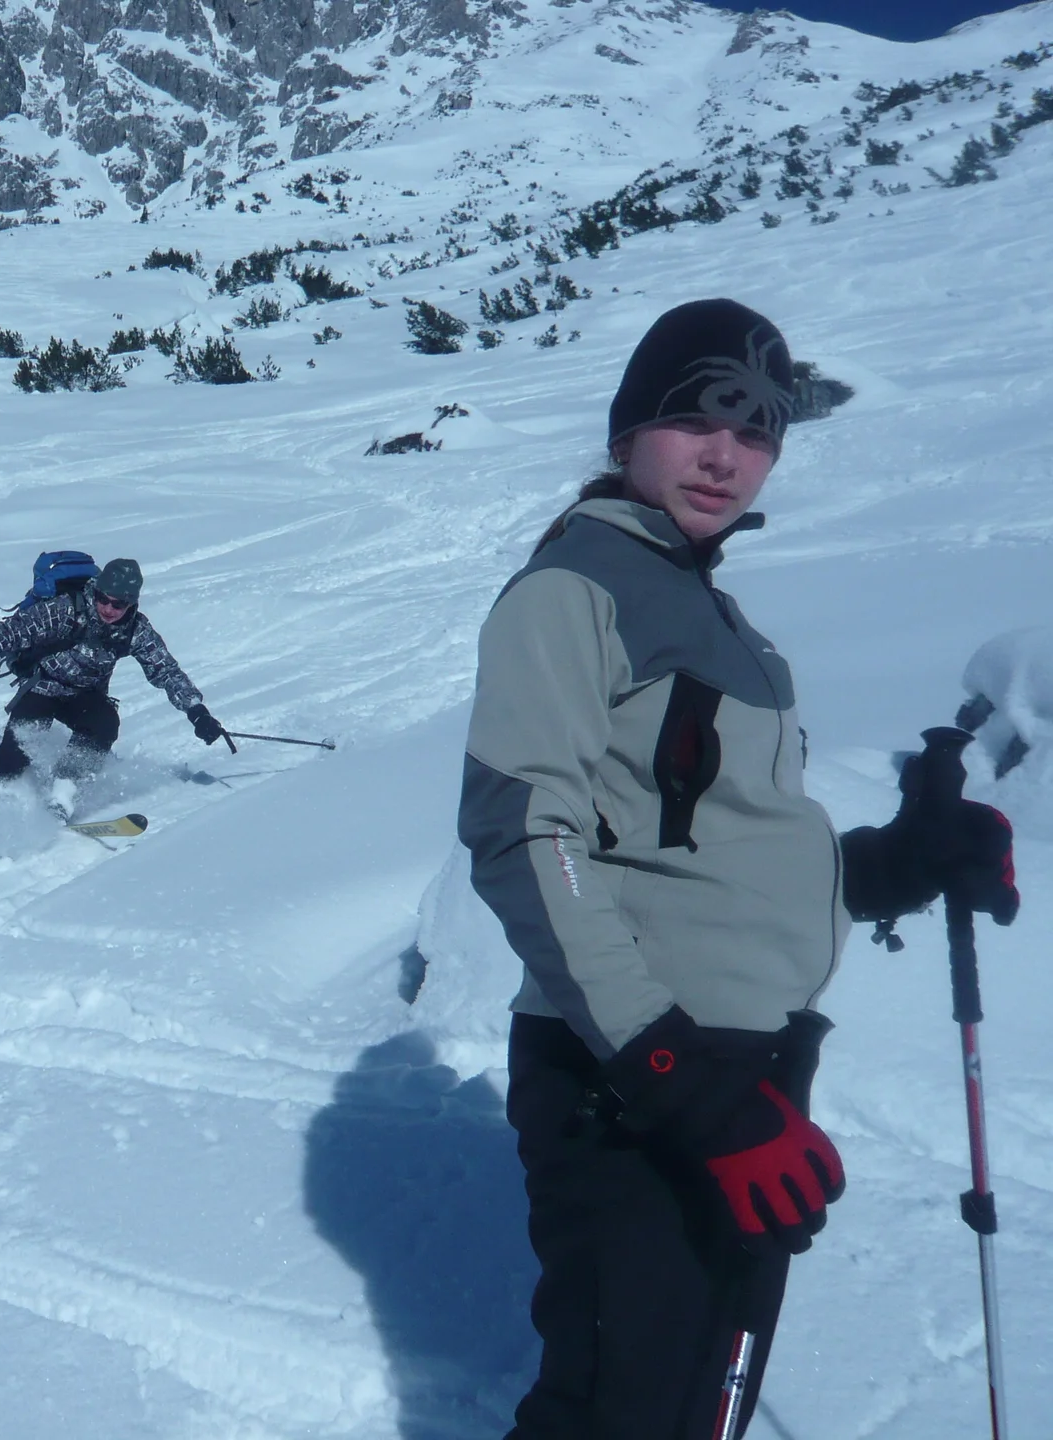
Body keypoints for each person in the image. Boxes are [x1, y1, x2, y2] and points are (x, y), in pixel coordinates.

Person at [456, 299, 1019, 1438]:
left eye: (760, 430)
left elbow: (718, 849)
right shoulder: (577, 590)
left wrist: (905, 861)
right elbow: (524, 837)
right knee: (624, 1411)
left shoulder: (726, 624)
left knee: (705, 1399)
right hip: (636, 1080)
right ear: (628, 437)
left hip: (744, 1072)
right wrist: (678, 1080)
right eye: (697, 417)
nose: (728, 455)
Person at [0, 557, 223, 781]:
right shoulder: (65, 610)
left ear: (132, 603)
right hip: (42, 687)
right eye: (103, 598)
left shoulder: (136, 629)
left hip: (86, 695)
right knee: (16, 752)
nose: (108, 608)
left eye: (119, 604)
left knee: (104, 725)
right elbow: (7, 633)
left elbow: (166, 671)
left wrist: (198, 713)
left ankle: (65, 788)